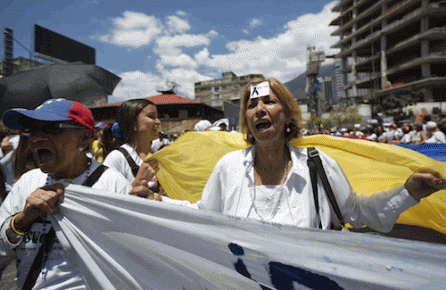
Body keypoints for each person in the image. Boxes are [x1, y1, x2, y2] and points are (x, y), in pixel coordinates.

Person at [157, 78, 445, 233]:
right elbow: (203, 215)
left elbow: (356, 212)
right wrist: (157, 202)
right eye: (251, 104)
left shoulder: (316, 164)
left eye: (269, 101)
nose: (259, 109)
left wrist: (408, 193)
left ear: (287, 114)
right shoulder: (229, 167)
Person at [0, 99, 151, 289]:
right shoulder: (27, 183)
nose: (37, 138)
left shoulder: (111, 183)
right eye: (33, 130)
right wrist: (20, 221)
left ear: (84, 137)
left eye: (52, 129)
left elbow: (134, 257)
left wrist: (138, 217)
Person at [102, 99, 160, 190]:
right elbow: (109, 199)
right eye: (151, 116)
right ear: (133, 122)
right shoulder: (117, 158)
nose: (158, 122)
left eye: (157, 117)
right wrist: (139, 181)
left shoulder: (158, 155)